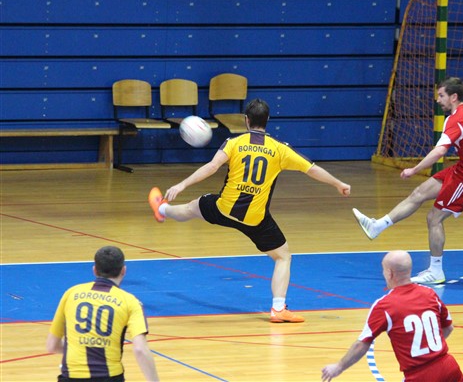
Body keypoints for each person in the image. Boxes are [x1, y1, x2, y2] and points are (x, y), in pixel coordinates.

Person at [148, 98, 351, 323]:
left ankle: (162, 209)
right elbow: (312, 170)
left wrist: (182, 185)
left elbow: (212, 167)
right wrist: (338, 183)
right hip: (255, 219)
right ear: (268, 120)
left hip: (224, 208)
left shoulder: (234, 143)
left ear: (246, 120)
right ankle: (278, 308)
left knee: (192, 207)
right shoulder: (279, 149)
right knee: (283, 256)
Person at [353, 77, 463, 284]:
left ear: (454, 97)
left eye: (441, 95)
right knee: (419, 193)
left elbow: (440, 151)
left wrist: (415, 169)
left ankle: (436, 271)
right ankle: (377, 226)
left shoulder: (455, 119)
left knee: (434, 218)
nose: (437, 100)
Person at [321, 250, 463, 382]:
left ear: (390, 273)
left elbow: (362, 344)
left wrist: (339, 367)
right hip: (448, 367)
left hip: (419, 375)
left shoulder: (384, 306)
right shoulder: (430, 294)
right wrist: (428, 348)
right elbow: (448, 328)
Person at [46, 246, 159, 382]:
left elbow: (52, 346)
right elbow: (140, 349)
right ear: (123, 270)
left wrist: (81, 349)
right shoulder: (130, 302)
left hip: (71, 377)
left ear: (94, 270)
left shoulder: (71, 293)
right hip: (109, 378)